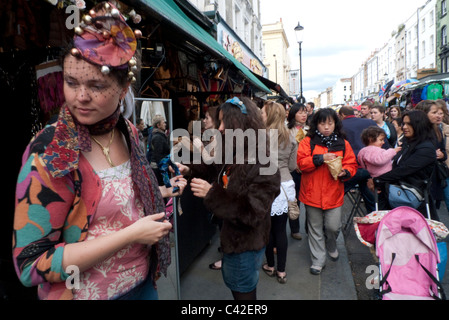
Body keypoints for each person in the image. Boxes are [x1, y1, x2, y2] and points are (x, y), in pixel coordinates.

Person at [12, 2, 187, 300]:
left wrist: (162, 191)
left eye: (96, 85)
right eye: (71, 82)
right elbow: (30, 265)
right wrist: (131, 236)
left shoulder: (129, 132)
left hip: (143, 286)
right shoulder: (52, 150)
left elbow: (120, 201)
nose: (80, 97)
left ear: (122, 89)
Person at [177, 97, 281, 300]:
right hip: (233, 239)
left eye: (225, 122)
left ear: (241, 124)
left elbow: (252, 213)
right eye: (220, 122)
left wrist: (212, 194)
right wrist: (189, 168)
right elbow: (214, 168)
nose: (221, 128)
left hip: (245, 244)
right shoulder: (236, 151)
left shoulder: (263, 162)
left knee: (242, 290)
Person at [297, 108, 358, 275]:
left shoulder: (343, 143)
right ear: (316, 124)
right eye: (322, 123)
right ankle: (318, 260)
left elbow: (351, 164)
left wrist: (346, 172)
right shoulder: (307, 142)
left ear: (335, 124)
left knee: (332, 226)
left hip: (333, 192)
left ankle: (331, 244)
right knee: (315, 228)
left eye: (330, 123)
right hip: (312, 192)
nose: (326, 127)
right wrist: (320, 158)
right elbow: (302, 164)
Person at [375, 110, 438, 220]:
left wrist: (377, 179)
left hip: (414, 200)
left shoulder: (426, 148)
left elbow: (404, 170)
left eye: (409, 124)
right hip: (396, 194)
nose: (404, 127)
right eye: (403, 123)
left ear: (419, 125)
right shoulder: (408, 143)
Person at [260, 101, 297, 284]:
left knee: (268, 229)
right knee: (281, 230)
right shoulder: (291, 136)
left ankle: (270, 265)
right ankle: (282, 271)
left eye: (263, 113)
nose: (260, 115)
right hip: (285, 184)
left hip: (266, 185)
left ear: (270, 115)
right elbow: (292, 166)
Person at [338, 106, 377, 213]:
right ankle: (374, 225)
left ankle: (332, 225)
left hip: (351, 167)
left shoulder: (340, 125)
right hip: (370, 166)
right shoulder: (369, 122)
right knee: (371, 202)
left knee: (336, 197)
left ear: (342, 115)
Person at [415, 100, 448, 210]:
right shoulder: (416, 131)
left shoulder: (437, 130)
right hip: (419, 177)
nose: (438, 116)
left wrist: (441, 155)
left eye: (439, 113)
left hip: (434, 175)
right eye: (434, 113)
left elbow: (443, 152)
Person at [286, 103, 309, 240]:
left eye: (305, 112)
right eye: (300, 112)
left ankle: (309, 228)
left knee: (309, 201)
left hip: (308, 170)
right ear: (293, 114)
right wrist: (294, 165)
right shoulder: (287, 131)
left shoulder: (310, 130)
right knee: (294, 200)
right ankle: (295, 229)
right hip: (293, 170)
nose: (304, 115)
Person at [150, 114, 170, 186]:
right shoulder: (158, 137)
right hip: (158, 170)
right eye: (163, 122)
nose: (165, 124)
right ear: (158, 125)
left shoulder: (160, 135)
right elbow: (159, 156)